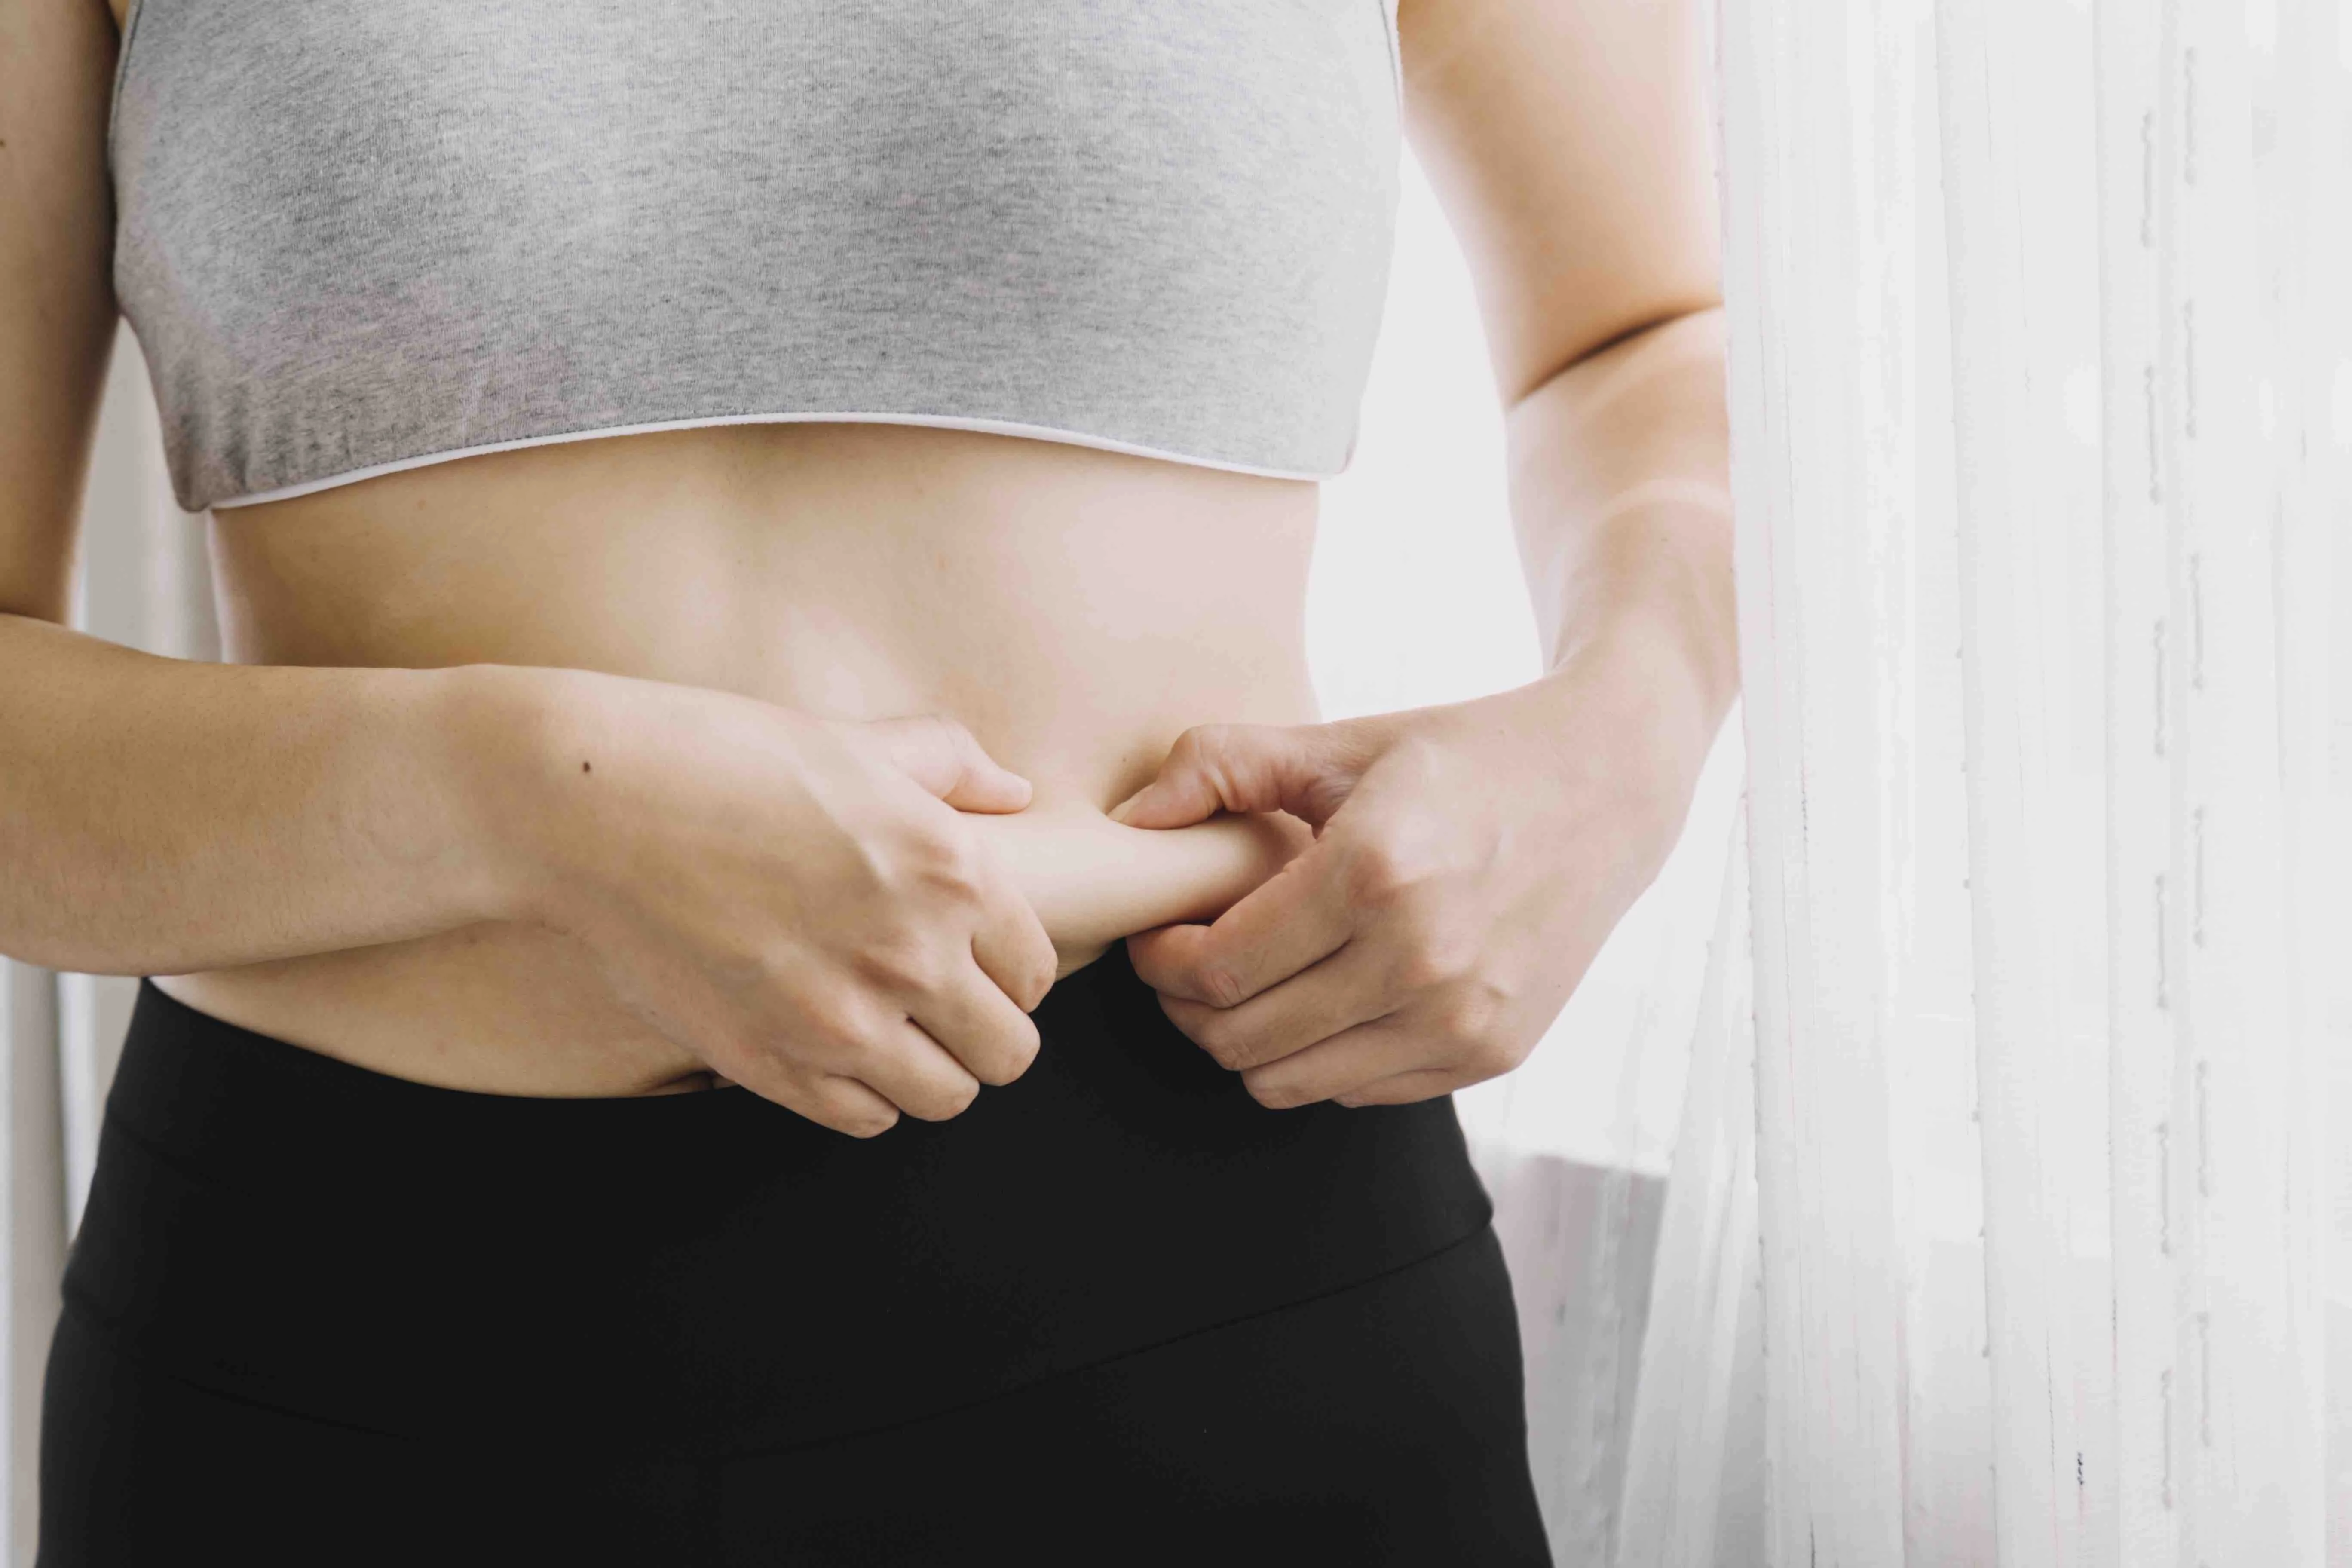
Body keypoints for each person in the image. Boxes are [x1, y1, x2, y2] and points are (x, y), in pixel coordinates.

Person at [3, 0, 1734, 1560]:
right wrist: (530, 797)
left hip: (1221, 1275)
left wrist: (1618, 737)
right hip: (342, 1350)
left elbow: (1650, 338)